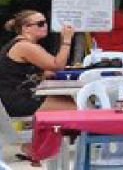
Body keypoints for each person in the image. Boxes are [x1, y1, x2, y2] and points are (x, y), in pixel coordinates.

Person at [0, 11, 77, 161]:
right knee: (78, 109)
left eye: (45, 22)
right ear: (26, 28)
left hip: (21, 96)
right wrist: (66, 40)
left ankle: (40, 146)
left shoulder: (28, 45)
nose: (45, 26)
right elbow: (57, 65)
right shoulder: (23, 46)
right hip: (18, 100)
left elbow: (39, 71)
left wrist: (43, 74)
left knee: (71, 103)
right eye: (40, 24)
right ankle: (45, 146)